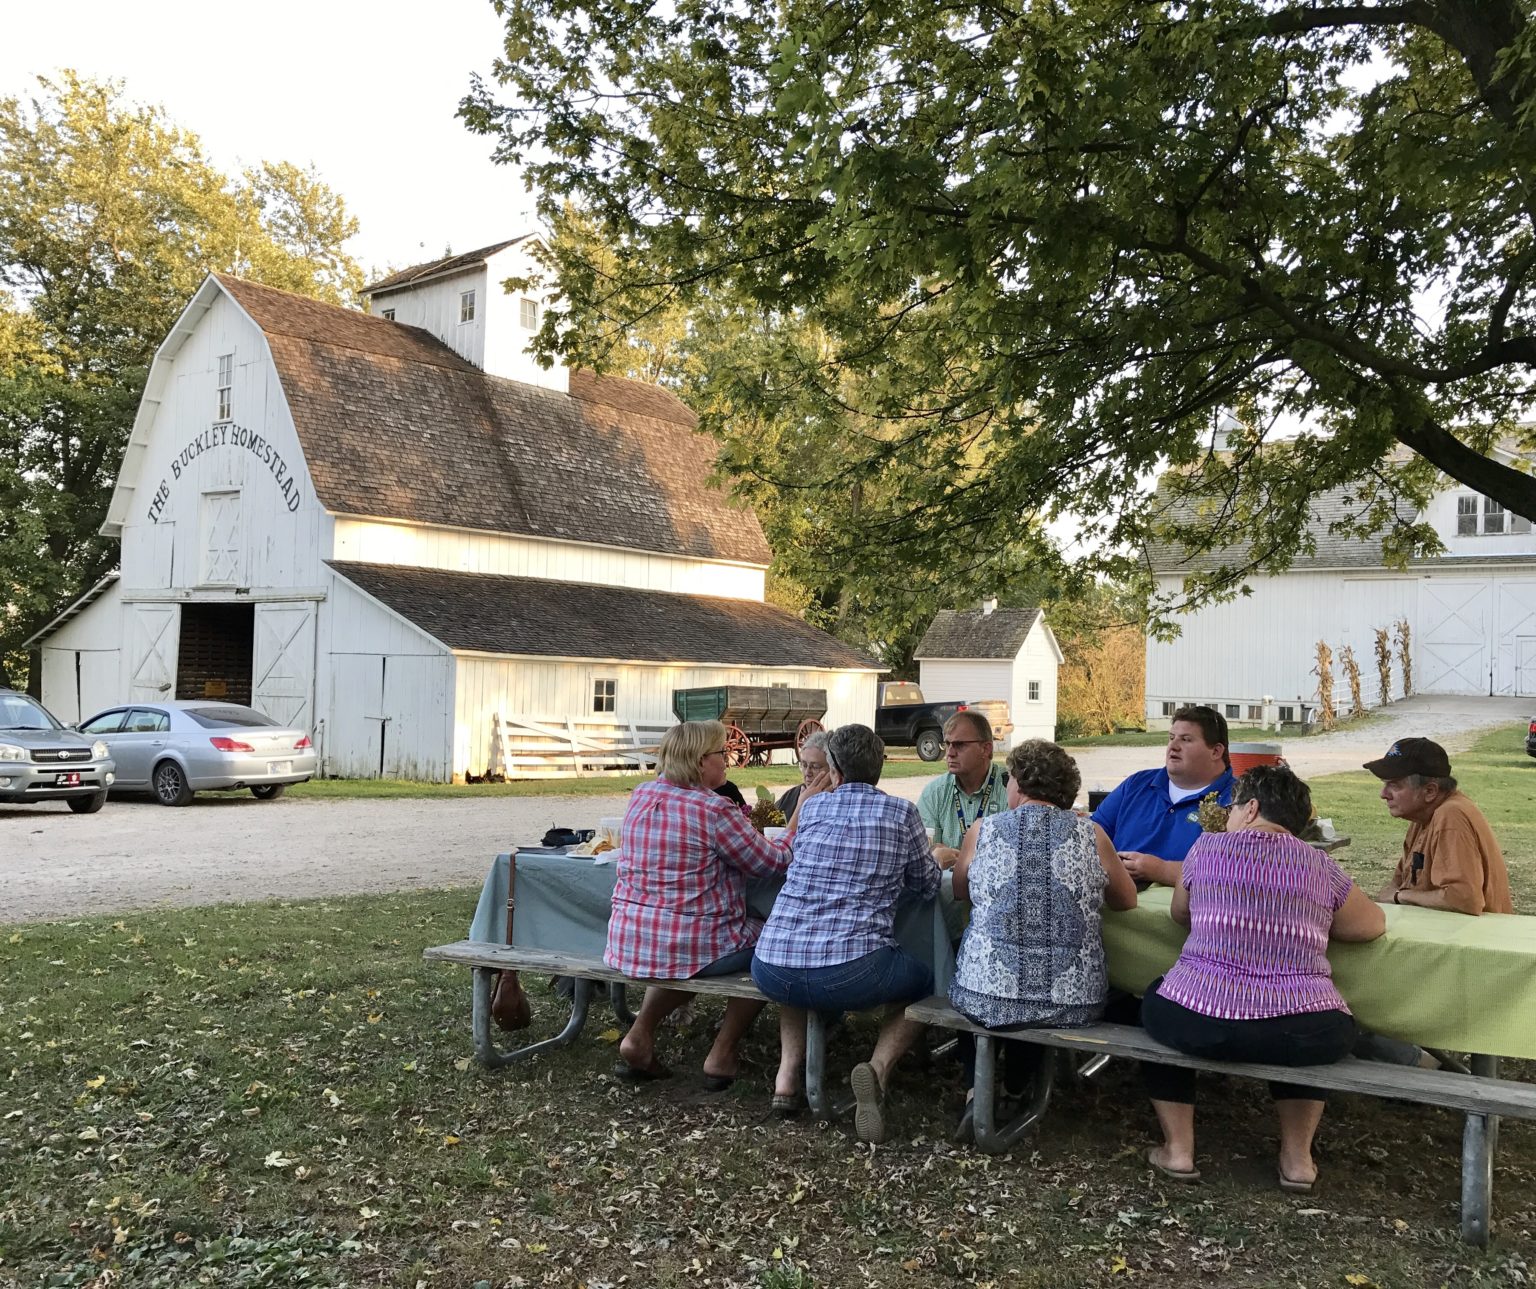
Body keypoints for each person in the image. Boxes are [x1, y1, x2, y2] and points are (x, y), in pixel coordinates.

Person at [1139, 765, 1386, 1192]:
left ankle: (1178, 1149)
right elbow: (1370, 925)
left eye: (1234, 807)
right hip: (1300, 1028)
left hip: (1200, 1017)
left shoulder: (1207, 849)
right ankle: (1297, 1160)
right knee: (1304, 1033)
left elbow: (1181, 914)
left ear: (1251, 808)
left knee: (1154, 1003)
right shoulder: (1320, 865)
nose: (1231, 815)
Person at [752, 723, 941, 1143]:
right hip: (852, 971)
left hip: (770, 964)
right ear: (880, 767)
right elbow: (928, 886)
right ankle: (877, 1070)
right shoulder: (902, 812)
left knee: (796, 955)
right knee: (927, 981)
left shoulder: (814, 809)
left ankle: (786, 1078)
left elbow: (790, 852)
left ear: (833, 768)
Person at [949, 739, 1137, 1135]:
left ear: (1018, 783)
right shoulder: (1093, 834)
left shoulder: (983, 830)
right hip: (1072, 1002)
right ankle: (1017, 1090)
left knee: (982, 991)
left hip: (986, 993)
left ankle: (974, 1092)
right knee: (1039, 993)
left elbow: (961, 889)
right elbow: (1125, 900)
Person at [605, 719, 793, 1086]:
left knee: (680, 947)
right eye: (721, 753)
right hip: (689, 942)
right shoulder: (713, 809)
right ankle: (722, 1052)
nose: (729, 760)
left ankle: (639, 1035)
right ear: (698, 760)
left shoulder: (642, 794)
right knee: (776, 942)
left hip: (631, 940)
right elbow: (771, 863)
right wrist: (799, 815)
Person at [1364, 738, 1513, 915]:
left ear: (1430, 791)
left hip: (1473, 938)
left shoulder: (1451, 815)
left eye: (1394, 785)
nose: (1383, 794)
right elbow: (1397, 884)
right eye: (1384, 784)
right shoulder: (1422, 817)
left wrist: (1400, 896)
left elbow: (1464, 899)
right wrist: (1398, 894)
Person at [1092, 704, 1235, 887]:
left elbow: (1235, 873)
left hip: (1185, 911)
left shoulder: (1238, 801)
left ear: (1216, 751)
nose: (1174, 747)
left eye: (1186, 740)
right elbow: (1091, 835)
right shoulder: (1137, 784)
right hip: (1117, 900)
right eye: (1171, 738)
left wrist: (1161, 870)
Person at [918, 710, 1010, 870]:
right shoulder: (934, 793)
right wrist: (934, 852)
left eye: (959, 745)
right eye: (947, 744)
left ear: (986, 749)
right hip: (946, 892)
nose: (950, 753)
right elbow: (923, 851)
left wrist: (962, 858)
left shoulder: (1009, 788)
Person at [776, 731, 831, 818]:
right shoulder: (790, 796)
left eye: (815, 767)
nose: (807, 773)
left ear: (832, 769)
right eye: (804, 765)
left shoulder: (838, 802)